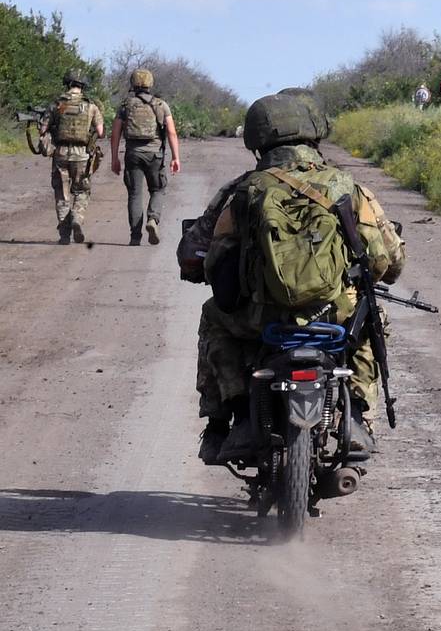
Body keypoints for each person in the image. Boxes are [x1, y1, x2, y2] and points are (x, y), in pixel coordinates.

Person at [194, 90, 406, 464]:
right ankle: (356, 415)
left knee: (214, 316)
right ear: (315, 133)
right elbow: (385, 262)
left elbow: (210, 262)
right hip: (333, 318)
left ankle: (231, 418)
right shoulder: (350, 189)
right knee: (375, 318)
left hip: (264, 322)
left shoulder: (243, 192)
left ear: (257, 139)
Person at [111, 67, 181, 245]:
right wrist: (175, 157)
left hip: (133, 155)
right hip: (155, 155)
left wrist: (114, 158)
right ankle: (153, 218)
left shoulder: (126, 105)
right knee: (158, 189)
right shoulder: (161, 105)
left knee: (134, 194)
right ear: (150, 83)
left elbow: (116, 133)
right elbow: (172, 133)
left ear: (133, 84)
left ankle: (135, 237)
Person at [40, 70, 105, 244]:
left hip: (60, 153)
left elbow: (42, 130)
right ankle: (77, 217)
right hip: (82, 155)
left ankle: (64, 235)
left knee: (62, 194)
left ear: (68, 84)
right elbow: (100, 132)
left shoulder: (58, 104)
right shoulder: (91, 106)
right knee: (82, 190)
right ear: (82, 86)